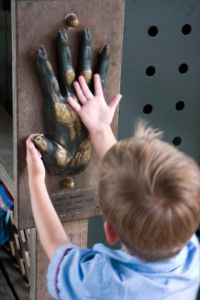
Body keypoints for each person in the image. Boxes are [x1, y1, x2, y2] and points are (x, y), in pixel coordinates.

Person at [26, 74, 200, 300]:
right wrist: (100, 129)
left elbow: (57, 247)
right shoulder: (191, 256)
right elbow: (140, 189)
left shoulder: (100, 281)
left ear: (110, 231)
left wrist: (35, 179)